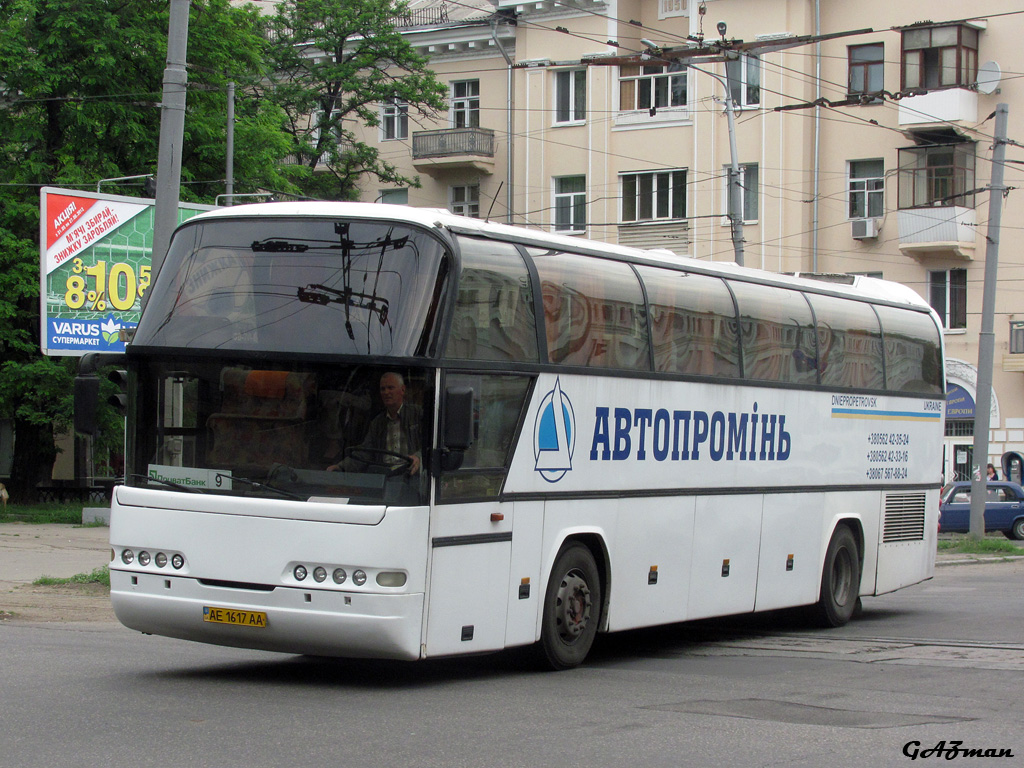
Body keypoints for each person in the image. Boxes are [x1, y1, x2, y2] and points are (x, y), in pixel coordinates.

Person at [328, 372, 421, 475]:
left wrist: (418, 457)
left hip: (411, 476)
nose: (386, 392)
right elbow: (365, 452)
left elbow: (432, 444)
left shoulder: (417, 415)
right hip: (385, 477)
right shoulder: (377, 423)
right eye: (383, 389)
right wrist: (341, 467)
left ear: (403, 390)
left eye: (390, 388)